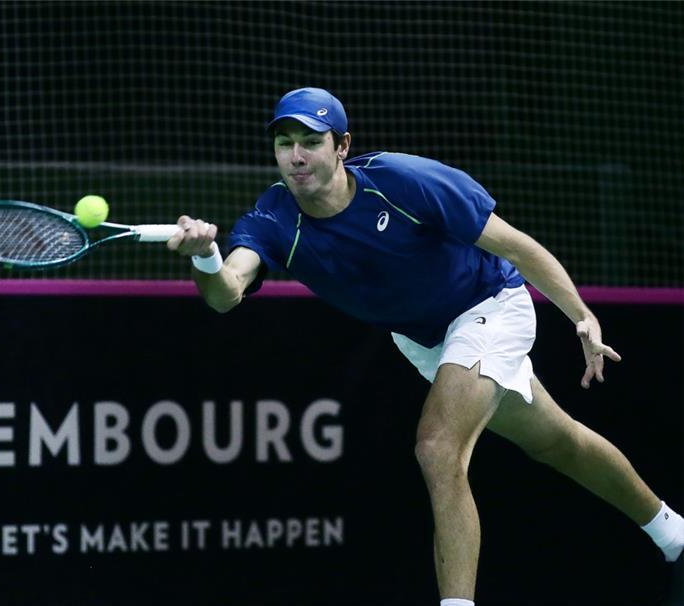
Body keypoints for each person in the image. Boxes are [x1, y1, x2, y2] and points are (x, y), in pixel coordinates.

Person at [167, 87, 683, 605]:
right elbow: (225, 295)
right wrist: (206, 257)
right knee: (557, 441)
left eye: (311, 141)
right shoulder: (273, 219)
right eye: (284, 142)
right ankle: (674, 535)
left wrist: (582, 316)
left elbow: (518, 246)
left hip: (491, 305)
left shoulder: (404, 181)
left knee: (438, 448)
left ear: (342, 146)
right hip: (426, 342)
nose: (296, 156)